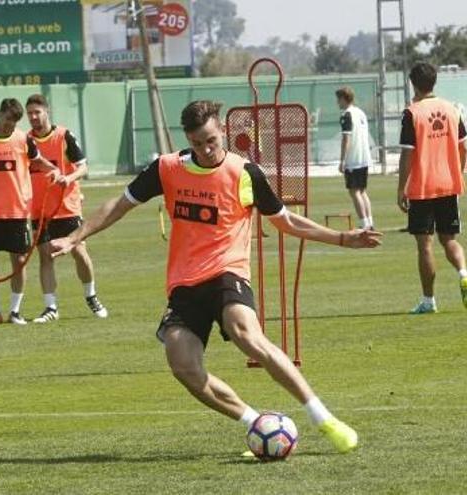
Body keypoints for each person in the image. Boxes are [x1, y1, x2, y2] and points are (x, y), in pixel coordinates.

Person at [50, 100, 381, 454]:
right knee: (182, 363)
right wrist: (74, 237)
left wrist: (343, 238)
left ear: (221, 130)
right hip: (184, 283)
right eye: (197, 143)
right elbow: (120, 204)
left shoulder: (245, 172)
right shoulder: (166, 168)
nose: (206, 150)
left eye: (211, 140)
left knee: (245, 333)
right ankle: (256, 422)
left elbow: (286, 221)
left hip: (228, 272)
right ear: (188, 141)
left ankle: (321, 416)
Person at [0, 97, 59, 326]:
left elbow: (39, 161)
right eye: (7, 120)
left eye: (14, 122)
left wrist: (54, 170)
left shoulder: (24, 140)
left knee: (19, 261)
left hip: (17, 211)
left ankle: (15, 311)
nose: (10, 125)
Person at [24, 94, 108, 323]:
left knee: (79, 251)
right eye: (29, 113)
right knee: (45, 256)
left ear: (46, 111)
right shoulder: (25, 140)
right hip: (39, 210)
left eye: (36, 112)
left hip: (66, 207)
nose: (33, 117)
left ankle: (91, 295)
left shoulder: (63, 136)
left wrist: (68, 178)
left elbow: (83, 167)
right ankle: (51, 307)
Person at [397, 62, 467, 314]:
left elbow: (407, 156)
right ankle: (464, 273)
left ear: (413, 83)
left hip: (422, 186)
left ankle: (429, 301)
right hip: (449, 184)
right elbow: (463, 147)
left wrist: (401, 189)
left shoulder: (411, 113)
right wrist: (457, 172)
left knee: (424, 245)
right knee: (449, 239)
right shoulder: (452, 109)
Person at [336, 87, 374, 230]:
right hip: (364, 157)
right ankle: (370, 222)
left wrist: (342, 160)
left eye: (338, 99)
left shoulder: (347, 114)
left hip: (354, 159)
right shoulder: (360, 113)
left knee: (354, 192)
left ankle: (364, 224)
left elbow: (346, 138)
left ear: (344, 99)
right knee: (362, 191)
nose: (337, 102)